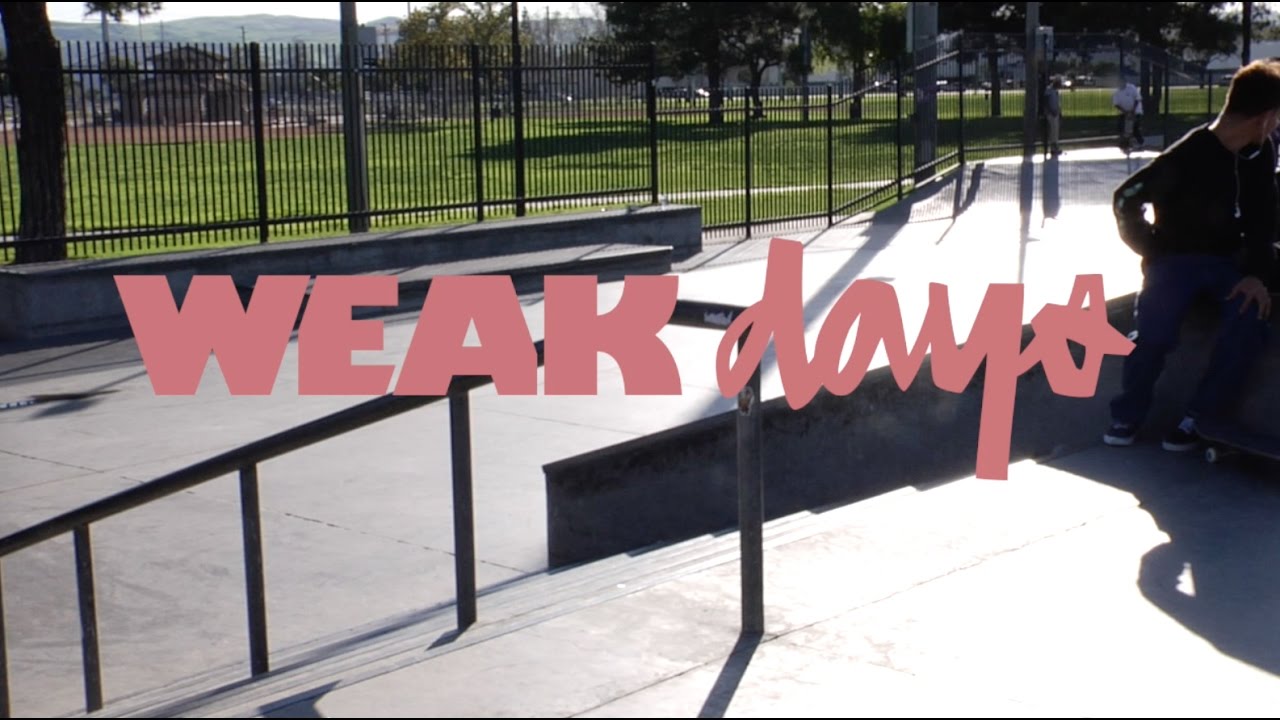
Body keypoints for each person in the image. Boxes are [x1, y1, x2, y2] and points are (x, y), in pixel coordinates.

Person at [1104, 59, 1280, 451]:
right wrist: (1153, 249)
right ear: (1265, 117)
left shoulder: (1260, 152)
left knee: (1249, 317)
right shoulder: (1185, 156)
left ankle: (1199, 415)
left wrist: (1258, 275)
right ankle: (1127, 414)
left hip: (1228, 263)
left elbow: (1264, 216)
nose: (1276, 128)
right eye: (1277, 119)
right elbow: (1125, 198)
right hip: (1175, 262)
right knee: (1155, 334)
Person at [1112, 76, 1144, 150]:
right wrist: (1126, 112)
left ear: (1125, 82)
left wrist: (1132, 111)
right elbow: (1116, 104)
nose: (1121, 84)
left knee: (1135, 127)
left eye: (1122, 82)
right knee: (1121, 127)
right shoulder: (1116, 92)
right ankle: (1124, 143)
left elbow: (1137, 99)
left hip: (1136, 111)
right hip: (1124, 112)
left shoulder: (1132, 88)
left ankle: (1140, 142)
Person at [1044, 76, 1063, 156]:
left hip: (1056, 113)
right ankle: (1053, 148)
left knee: (1056, 131)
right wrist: (1050, 111)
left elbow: (1057, 103)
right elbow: (1046, 102)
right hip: (1051, 113)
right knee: (1053, 131)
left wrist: (1059, 112)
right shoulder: (1049, 90)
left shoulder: (1055, 91)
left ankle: (1055, 147)